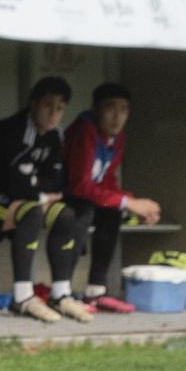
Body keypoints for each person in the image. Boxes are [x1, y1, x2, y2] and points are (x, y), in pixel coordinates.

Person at [0, 76, 92, 322]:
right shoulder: (16, 132)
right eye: (48, 105)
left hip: (13, 200)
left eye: (59, 108)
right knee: (32, 212)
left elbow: (55, 180)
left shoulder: (54, 136)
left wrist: (37, 192)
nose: (53, 113)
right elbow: (20, 185)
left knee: (65, 214)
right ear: (33, 104)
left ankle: (60, 294)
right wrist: (39, 193)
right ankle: (23, 297)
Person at [65, 82, 159, 309]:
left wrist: (132, 204)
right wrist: (129, 202)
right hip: (62, 198)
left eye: (124, 109)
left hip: (85, 199)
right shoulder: (85, 131)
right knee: (82, 213)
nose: (117, 117)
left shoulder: (117, 137)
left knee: (111, 213)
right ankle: (62, 293)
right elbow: (79, 185)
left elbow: (106, 180)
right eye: (110, 108)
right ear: (96, 109)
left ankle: (95, 291)